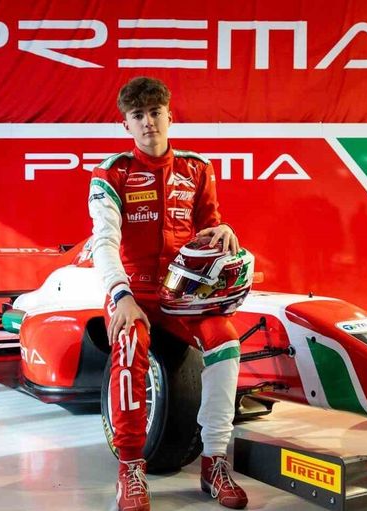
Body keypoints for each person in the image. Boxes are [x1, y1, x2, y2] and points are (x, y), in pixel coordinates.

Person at [88, 77, 248, 511]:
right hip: (133, 290)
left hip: (185, 293)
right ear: (125, 124)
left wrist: (223, 230)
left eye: (155, 113)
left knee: (227, 342)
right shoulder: (111, 172)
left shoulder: (197, 168)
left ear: (170, 117)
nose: (148, 123)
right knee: (128, 340)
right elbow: (103, 242)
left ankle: (215, 461)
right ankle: (130, 467)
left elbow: (210, 224)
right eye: (138, 115)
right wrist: (120, 295)